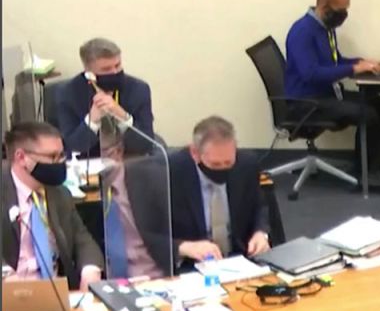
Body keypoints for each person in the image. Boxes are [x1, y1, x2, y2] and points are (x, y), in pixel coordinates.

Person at [284, 0, 380, 191]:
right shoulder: (302, 32)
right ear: (324, 6)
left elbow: (334, 62)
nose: (343, 15)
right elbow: (310, 74)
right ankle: (368, 175)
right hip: (306, 103)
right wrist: (353, 70)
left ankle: (366, 167)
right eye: (340, 10)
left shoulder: (325, 28)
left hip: (325, 95)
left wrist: (363, 63)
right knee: (369, 113)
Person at [1, 121, 104, 290]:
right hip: (11, 297)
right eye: (52, 157)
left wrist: (90, 269)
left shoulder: (60, 194)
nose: (59, 163)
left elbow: (82, 239)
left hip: (59, 295)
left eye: (62, 155)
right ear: (21, 158)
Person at [168, 116, 271, 265]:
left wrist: (261, 233)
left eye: (228, 162)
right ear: (195, 153)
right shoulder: (171, 172)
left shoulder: (246, 165)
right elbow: (150, 234)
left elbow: (259, 207)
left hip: (241, 259)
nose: (223, 168)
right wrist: (184, 247)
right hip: (192, 263)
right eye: (215, 164)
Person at [96, 120, 174, 279]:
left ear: (118, 152)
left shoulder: (151, 182)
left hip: (153, 276)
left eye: (103, 153)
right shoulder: (78, 197)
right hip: (106, 284)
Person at [55, 37, 158, 157]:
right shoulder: (68, 93)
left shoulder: (138, 89)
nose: (115, 72)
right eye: (106, 69)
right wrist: (92, 121)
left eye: (117, 65)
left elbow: (145, 145)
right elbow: (72, 147)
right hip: (90, 164)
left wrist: (122, 116)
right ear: (89, 73)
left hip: (130, 160)